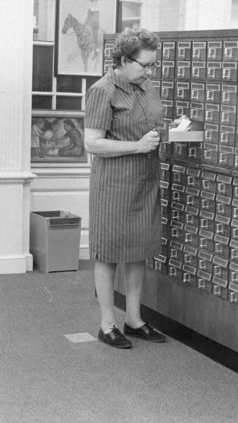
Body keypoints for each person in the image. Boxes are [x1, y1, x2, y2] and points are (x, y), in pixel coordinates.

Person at [84, 28, 166, 349]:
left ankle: (133, 319)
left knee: (138, 250)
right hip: (114, 184)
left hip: (144, 180)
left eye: (152, 66)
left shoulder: (146, 87)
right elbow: (92, 143)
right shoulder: (102, 91)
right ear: (122, 59)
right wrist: (137, 146)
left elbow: (151, 126)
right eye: (144, 65)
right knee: (108, 252)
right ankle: (107, 324)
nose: (149, 72)